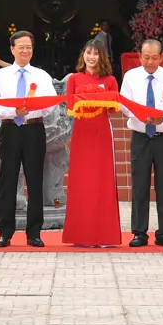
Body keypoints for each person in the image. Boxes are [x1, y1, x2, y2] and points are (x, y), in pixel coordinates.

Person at [0, 30, 55, 247]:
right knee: (7, 179)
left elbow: (51, 102)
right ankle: (4, 232)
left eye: (29, 47)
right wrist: (13, 112)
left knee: (35, 180)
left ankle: (34, 232)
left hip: (34, 129)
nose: (25, 51)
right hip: (10, 129)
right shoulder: (0, 76)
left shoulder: (41, 75)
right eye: (21, 47)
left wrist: (34, 109)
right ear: (12, 49)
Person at [118, 37, 163, 248]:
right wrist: (139, 113)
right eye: (146, 57)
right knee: (140, 184)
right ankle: (139, 232)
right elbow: (124, 104)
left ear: (162, 57)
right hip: (140, 136)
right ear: (140, 56)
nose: (150, 62)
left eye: (155, 58)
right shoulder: (131, 76)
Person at [61, 36, 120, 247]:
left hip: (102, 132)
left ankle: (104, 235)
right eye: (88, 53)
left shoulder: (110, 80)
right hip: (82, 133)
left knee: (103, 181)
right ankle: (81, 234)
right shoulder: (75, 79)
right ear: (83, 55)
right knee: (82, 180)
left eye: (95, 53)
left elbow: (114, 107)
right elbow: (69, 106)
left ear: (101, 56)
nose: (91, 57)